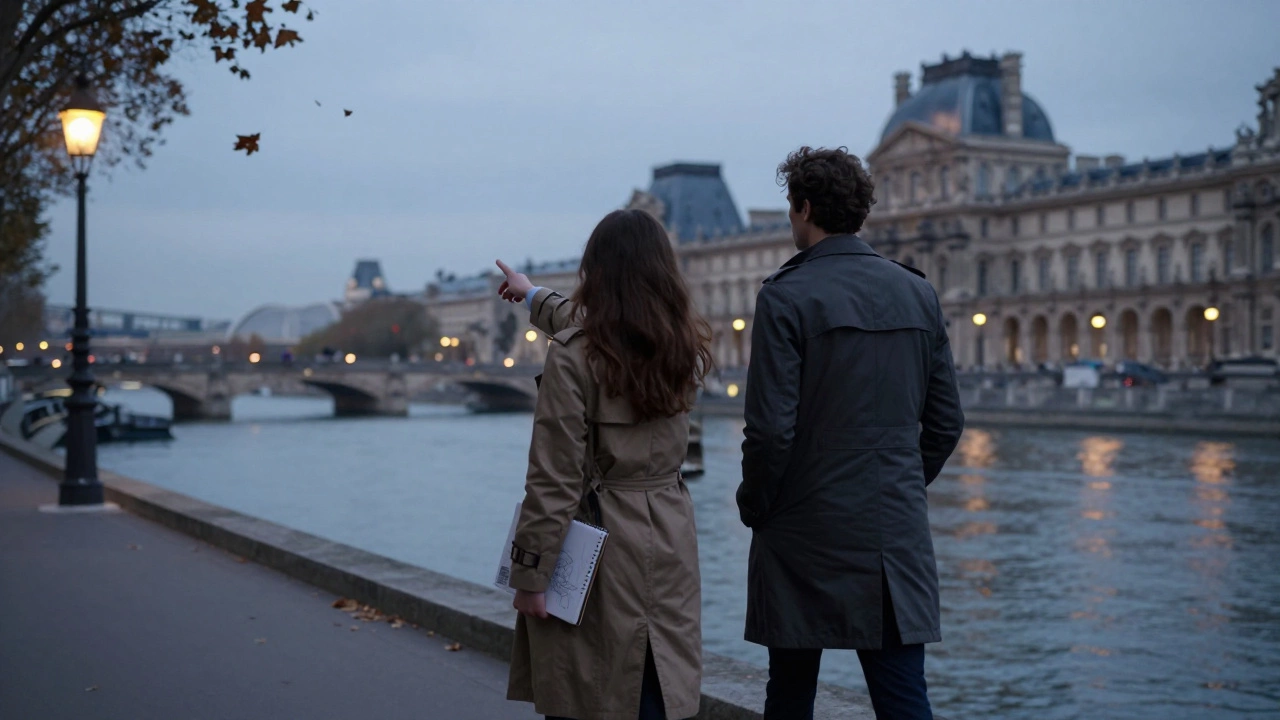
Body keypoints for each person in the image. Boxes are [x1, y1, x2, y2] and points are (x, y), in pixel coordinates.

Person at [736, 147, 964, 720]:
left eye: (792, 211)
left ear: (804, 208)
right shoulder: (919, 293)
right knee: (903, 693)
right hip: (892, 525)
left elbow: (769, 432)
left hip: (800, 526)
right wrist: (901, 480)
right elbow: (945, 423)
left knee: (789, 689)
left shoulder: (784, 296)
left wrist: (756, 505)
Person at [494, 208, 713, 720]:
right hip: (671, 534)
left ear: (595, 272)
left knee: (589, 690)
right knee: (658, 676)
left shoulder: (573, 356)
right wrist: (531, 296)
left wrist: (530, 576)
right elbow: (604, 332)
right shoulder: (681, 345)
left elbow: (553, 480)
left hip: (601, 539)